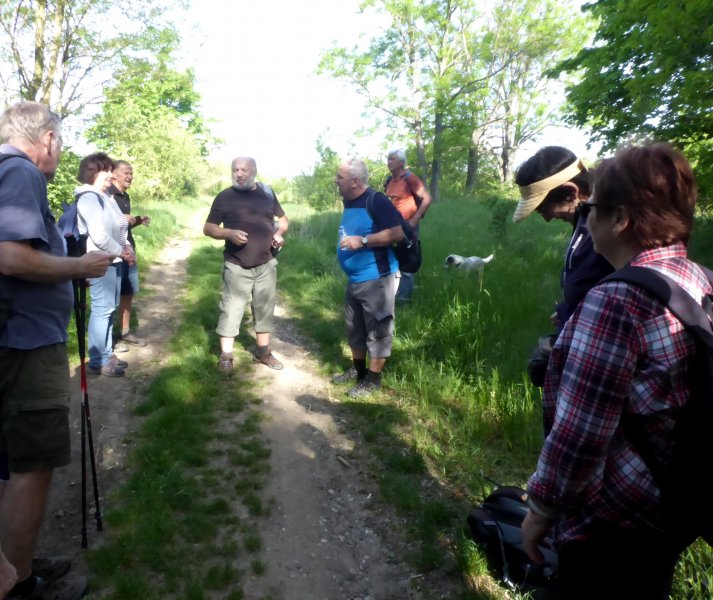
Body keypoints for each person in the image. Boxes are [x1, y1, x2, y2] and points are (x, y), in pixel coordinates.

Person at [522, 143, 708, 599]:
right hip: (675, 501)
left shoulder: (616, 300)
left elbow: (581, 432)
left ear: (620, 219)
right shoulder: (699, 280)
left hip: (615, 516)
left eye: (593, 211)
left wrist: (542, 508)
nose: (586, 220)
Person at [0, 101, 113, 599]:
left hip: (15, 335)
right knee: (33, 461)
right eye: (60, 142)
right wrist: (77, 268)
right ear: (46, 138)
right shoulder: (20, 172)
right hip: (23, 342)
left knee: (12, 460)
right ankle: (20, 584)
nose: (60, 151)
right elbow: (11, 256)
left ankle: (12, 562)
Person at [513, 146, 613, 331]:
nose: (547, 218)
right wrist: (566, 311)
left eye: (543, 209)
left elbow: (612, 304)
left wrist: (569, 317)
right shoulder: (583, 222)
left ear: (570, 193)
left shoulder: (601, 233)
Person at [204, 156, 288, 372]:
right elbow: (209, 227)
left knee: (265, 308)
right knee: (231, 308)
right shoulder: (224, 197)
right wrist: (228, 233)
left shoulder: (267, 193)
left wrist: (279, 233)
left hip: (266, 262)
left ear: (254, 172)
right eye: (235, 170)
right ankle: (226, 356)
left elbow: (284, 219)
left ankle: (264, 352)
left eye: (244, 170)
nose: (239, 174)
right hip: (237, 264)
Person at [333, 158, 403, 397]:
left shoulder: (377, 201)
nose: (336, 180)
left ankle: (372, 381)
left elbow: (396, 233)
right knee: (355, 328)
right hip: (356, 279)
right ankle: (358, 371)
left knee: (378, 330)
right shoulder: (349, 201)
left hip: (378, 278)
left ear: (355, 181)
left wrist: (362, 241)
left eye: (339, 177)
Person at [76, 152, 135, 377]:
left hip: (111, 260)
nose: (111, 175)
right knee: (102, 310)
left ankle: (106, 354)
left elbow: (116, 227)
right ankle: (97, 361)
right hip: (100, 261)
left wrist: (124, 249)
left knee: (108, 310)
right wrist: (122, 251)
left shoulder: (101, 196)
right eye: (106, 171)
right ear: (93, 173)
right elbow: (99, 236)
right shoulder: (88, 197)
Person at [108, 160, 149, 352]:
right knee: (110, 298)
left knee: (127, 293)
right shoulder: (106, 195)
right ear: (114, 174)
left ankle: (124, 333)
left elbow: (125, 225)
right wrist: (120, 219)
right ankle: (108, 343)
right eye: (126, 173)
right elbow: (103, 226)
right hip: (113, 254)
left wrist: (138, 220)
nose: (130, 176)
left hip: (129, 251)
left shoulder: (125, 196)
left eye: (131, 173)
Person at [385, 148, 431, 302]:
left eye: (392, 159)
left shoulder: (410, 178)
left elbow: (427, 199)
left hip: (407, 226)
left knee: (408, 260)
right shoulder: (389, 180)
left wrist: (414, 221)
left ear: (401, 162)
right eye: (388, 159)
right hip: (392, 227)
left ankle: (404, 299)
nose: (389, 161)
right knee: (393, 258)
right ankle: (394, 295)